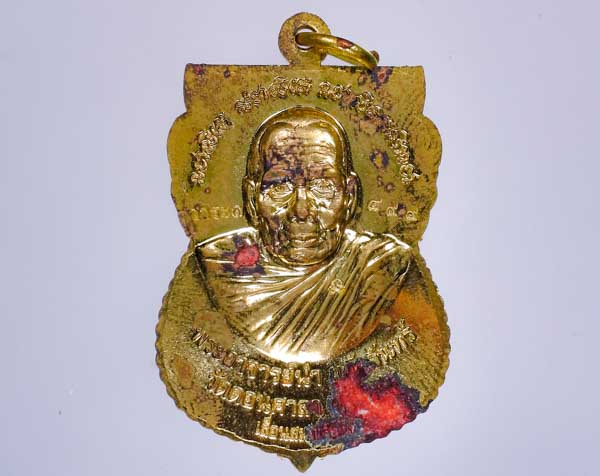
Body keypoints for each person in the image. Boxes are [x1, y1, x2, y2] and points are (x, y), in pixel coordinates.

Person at [196, 106, 411, 362]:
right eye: (279, 186)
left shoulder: (382, 267)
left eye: (322, 186)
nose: (301, 210)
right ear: (252, 199)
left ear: (350, 196)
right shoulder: (218, 267)